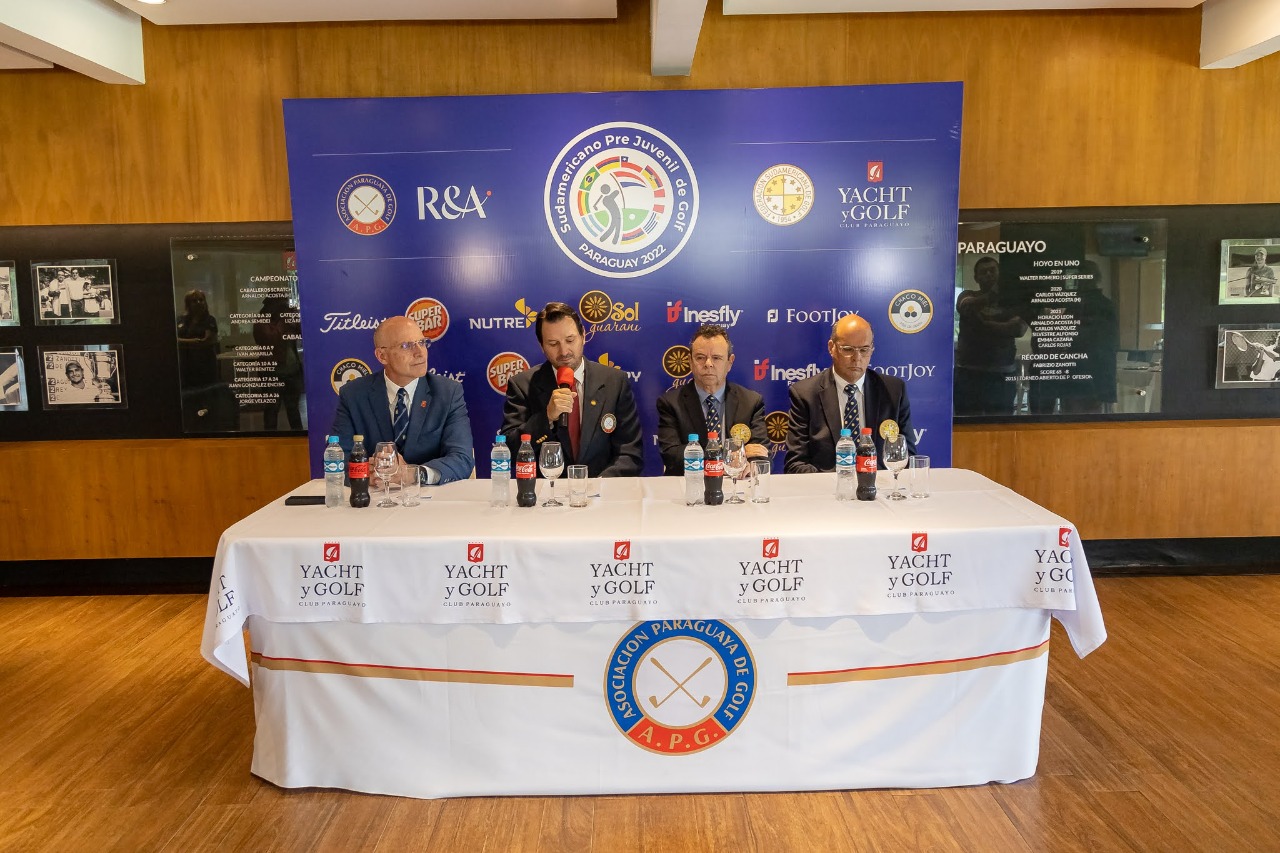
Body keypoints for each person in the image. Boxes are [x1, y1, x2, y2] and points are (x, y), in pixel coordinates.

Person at [501, 301, 643, 477]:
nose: (564, 351)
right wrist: (546, 418)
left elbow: (630, 454)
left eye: (570, 340)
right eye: (553, 343)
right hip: (547, 495)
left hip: (602, 495)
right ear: (541, 346)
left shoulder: (615, 382)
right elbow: (509, 450)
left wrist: (596, 488)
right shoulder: (522, 385)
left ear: (583, 335)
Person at [330, 315, 474, 485]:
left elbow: (462, 458)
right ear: (382, 356)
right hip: (375, 502)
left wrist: (413, 474)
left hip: (431, 502)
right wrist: (367, 472)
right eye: (406, 346)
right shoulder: (354, 395)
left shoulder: (447, 393)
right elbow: (338, 461)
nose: (420, 353)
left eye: (422, 343)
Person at [784, 313, 915, 473]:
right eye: (848, 349)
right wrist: (840, 484)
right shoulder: (805, 394)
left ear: (872, 350)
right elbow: (795, 464)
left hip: (880, 488)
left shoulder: (894, 391)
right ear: (831, 347)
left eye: (864, 350)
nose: (857, 358)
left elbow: (906, 457)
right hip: (828, 491)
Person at [655, 324, 768, 476]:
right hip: (690, 487)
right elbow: (672, 456)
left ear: (730, 362)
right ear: (690, 361)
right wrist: (727, 458)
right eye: (700, 357)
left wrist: (752, 462)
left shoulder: (751, 402)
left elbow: (761, 454)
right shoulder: (671, 403)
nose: (708, 364)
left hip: (738, 489)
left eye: (716, 358)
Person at [954, 257, 1027, 415]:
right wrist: (1005, 323)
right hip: (969, 374)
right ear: (976, 278)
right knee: (967, 427)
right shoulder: (966, 295)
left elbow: (1019, 329)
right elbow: (965, 306)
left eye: (992, 270)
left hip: (1002, 375)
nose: (988, 274)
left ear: (999, 273)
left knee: (1001, 428)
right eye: (983, 272)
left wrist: (984, 324)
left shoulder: (1013, 302)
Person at [253, 296, 304, 431]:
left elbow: (303, 331)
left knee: (293, 409)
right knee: (271, 410)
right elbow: (269, 339)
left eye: (285, 304)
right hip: (271, 371)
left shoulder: (287, 319)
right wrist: (283, 321)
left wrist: (295, 318)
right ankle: (270, 441)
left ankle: (298, 438)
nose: (284, 307)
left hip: (292, 370)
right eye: (281, 304)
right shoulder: (262, 320)